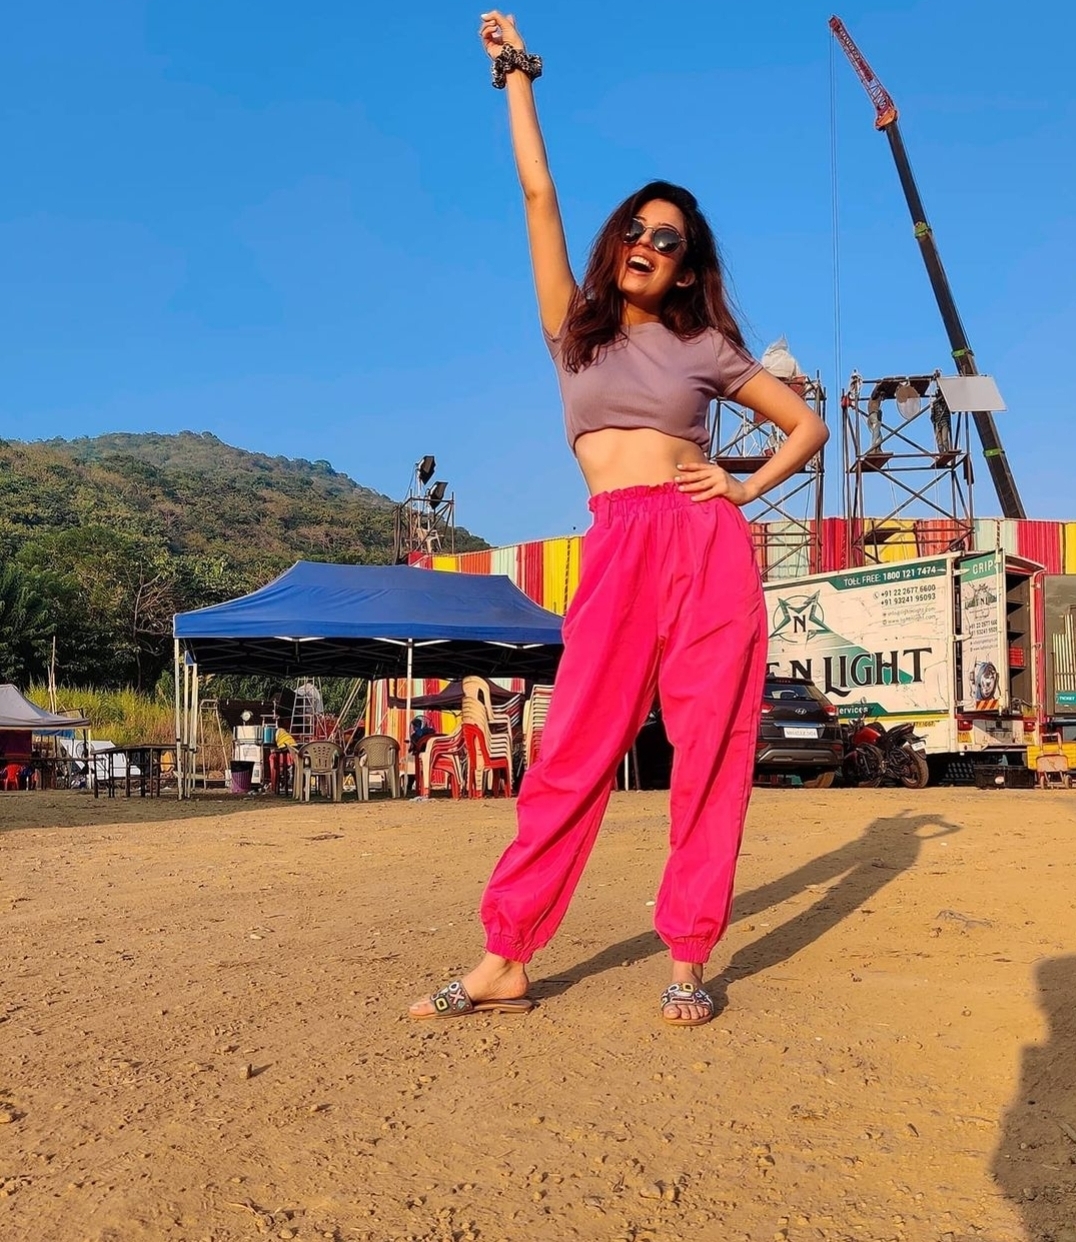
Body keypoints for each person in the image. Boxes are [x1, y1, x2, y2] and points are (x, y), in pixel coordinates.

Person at [409, 12, 829, 1027]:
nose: (646, 244)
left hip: (703, 542)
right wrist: (516, 76)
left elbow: (806, 425)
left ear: (686, 265)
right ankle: (506, 957)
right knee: (574, 747)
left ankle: (687, 956)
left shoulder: (706, 346)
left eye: (667, 240)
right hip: (618, 541)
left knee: (711, 745)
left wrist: (742, 489)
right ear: (618, 245)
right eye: (636, 231)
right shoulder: (572, 328)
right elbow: (537, 193)